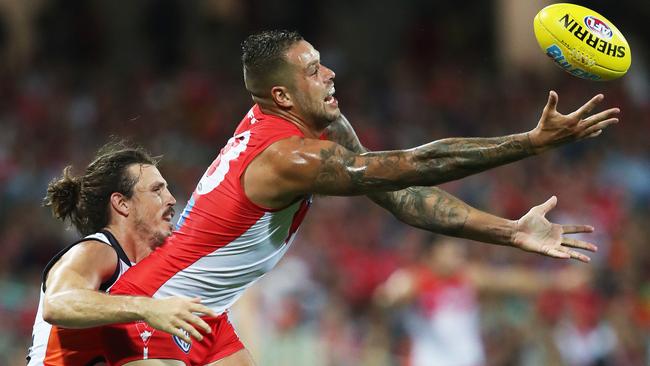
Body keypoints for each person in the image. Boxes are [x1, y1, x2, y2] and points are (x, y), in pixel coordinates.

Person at [103, 30, 620, 365]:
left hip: (200, 312)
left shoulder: (315, 127)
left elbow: (402, 195)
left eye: (321, 64)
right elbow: (418, 163)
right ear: (282, 96)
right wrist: (530, 143)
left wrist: (508, 230)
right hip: (152, 308)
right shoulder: (286, 158)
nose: (328, 75)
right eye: (312, 70)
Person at [27, 142, 216, 366]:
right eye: (157, 190)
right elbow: (58, 303)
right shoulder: (97, 250)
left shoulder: (154, 268)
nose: (172, 199)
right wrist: (147, 308)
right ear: (122, 203)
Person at [375, 236, 590, 366]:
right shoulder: (416, 280)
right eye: (451, 254)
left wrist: (558, 281)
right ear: (432, 255)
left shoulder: (468, 277)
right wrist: (390, 297)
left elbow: (510, 280)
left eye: (460, 254)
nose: (458, 259)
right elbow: (388, 298)